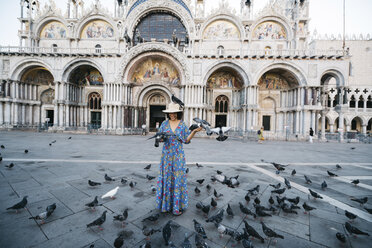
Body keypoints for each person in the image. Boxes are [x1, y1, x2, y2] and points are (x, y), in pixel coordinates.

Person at [156, 102, 202, 216]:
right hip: (166, 155)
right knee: (166, 177)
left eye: (174, 113)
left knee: (177, 179)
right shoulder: (164, 123)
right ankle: (165, 206)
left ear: (177, 113)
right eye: (170, 113)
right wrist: (160, 139)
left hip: (178, 155)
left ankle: (176, 208)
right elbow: (159, 137)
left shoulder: (182, 124)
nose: (172, 114)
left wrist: (194, 132)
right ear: (168, 113)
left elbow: (186, 140)